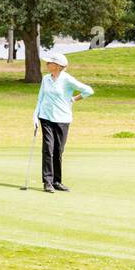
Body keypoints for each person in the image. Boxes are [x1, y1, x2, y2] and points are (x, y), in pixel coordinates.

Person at [33, 52, 94, 193]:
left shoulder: (67, 79)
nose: (47, 64)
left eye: (50, 63)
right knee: (47, 149)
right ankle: (47, 181)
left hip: (63, 119)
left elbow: (88, 91)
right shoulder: (46, 79)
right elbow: (40, 98)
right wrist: (35, 115)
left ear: (58, 66)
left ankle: (56, 181)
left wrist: (73, 99)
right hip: (46, 117)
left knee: (58, 150)